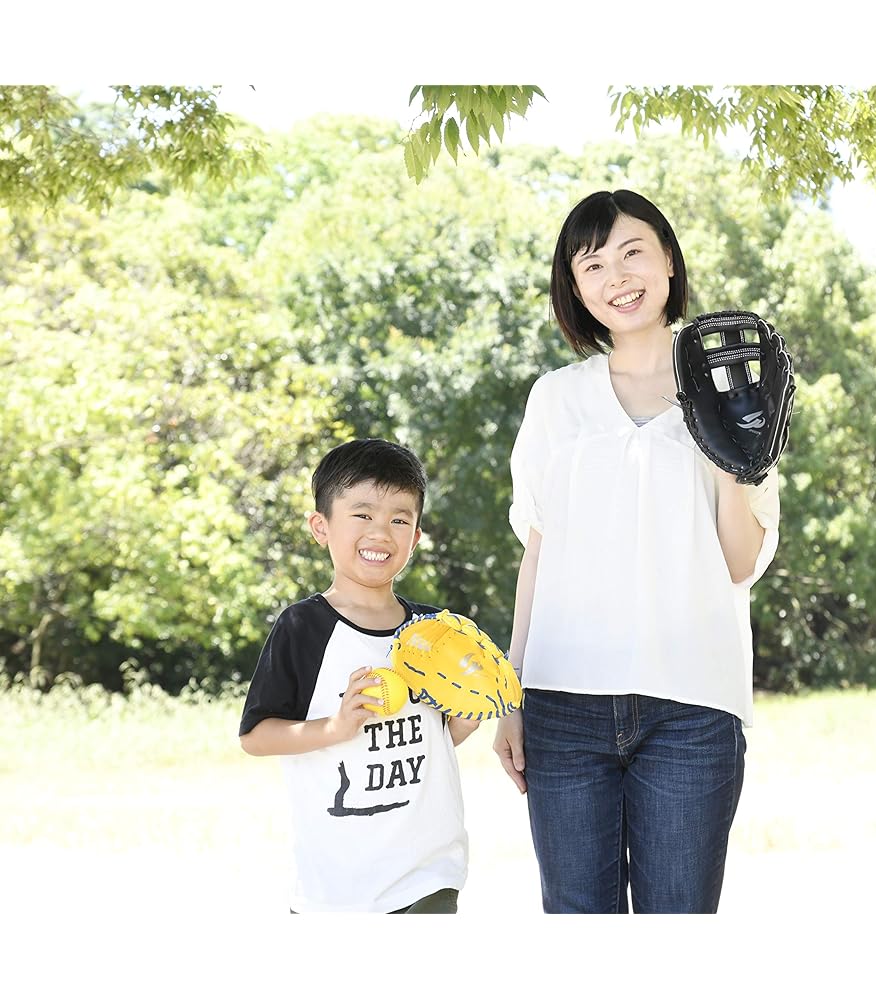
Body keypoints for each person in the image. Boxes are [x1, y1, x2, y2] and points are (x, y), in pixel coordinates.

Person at [493, 189, 780, 914]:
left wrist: (724, 443)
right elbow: (537, 556)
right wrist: (511, 693)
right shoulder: (555, 400)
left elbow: (739, 563)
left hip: (692, 708)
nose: (616, 277)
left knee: (676, 939)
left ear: (669, 261)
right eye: (592, 265)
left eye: (632, 253)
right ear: (575, 287)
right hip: (563, 705)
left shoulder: (737, 385)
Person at [239, 438, 478, 913]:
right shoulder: (303, 628)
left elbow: (435, 739)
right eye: (362, 514)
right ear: (321, 527)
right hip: (336, 886)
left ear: (416, 537)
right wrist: (336, 727)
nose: (380, 532)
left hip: (427, 874)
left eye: (399, 520)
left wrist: (467, 717)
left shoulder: (434, 632)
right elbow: (256, 737)